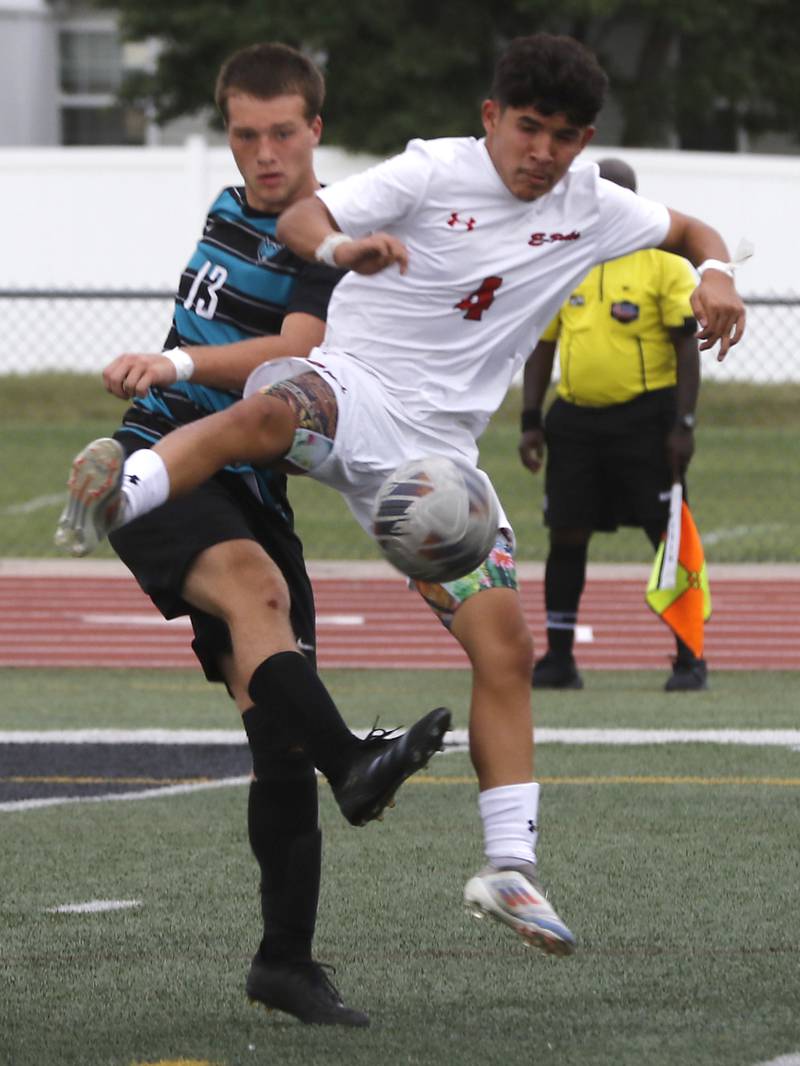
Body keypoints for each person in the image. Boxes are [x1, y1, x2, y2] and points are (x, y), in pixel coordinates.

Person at [55, 33, 746, 960]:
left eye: (566, 136)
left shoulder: (595, 205)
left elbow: (694, 230)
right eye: (528, 128)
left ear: (585, 141)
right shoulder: (431, 171)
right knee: (270, 410)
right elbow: (307, 222)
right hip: (356, 387)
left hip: (438, 464)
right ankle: (120, 492)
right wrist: (346, 245)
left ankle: (508, 869)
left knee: (506, 646)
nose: (542, 152)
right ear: (492, 118)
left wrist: (716, 275)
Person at [56, 42, 452, 1029]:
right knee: (254, 597)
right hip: (165, 466)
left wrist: (177, 354)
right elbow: (244, 360)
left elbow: (293, 356)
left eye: (283, 133)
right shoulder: (229, 206)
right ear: (228, 132)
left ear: (316, 129)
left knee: (274, 730)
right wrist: (152, 395)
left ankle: (284, 961)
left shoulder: (331, 240)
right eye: (244, 134)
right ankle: (357, 765)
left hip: (253, 492)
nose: (263, 153)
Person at [518, 157, 709, 692]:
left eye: (612, 197)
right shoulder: (566, 257)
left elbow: (686, 349)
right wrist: (532, 420)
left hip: (647, 419)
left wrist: (683, 424)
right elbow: (544, 345)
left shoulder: (664, 263)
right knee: (567, 532)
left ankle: (689, 656)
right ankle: (559, 658)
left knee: (667, 536)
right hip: (575, 420)